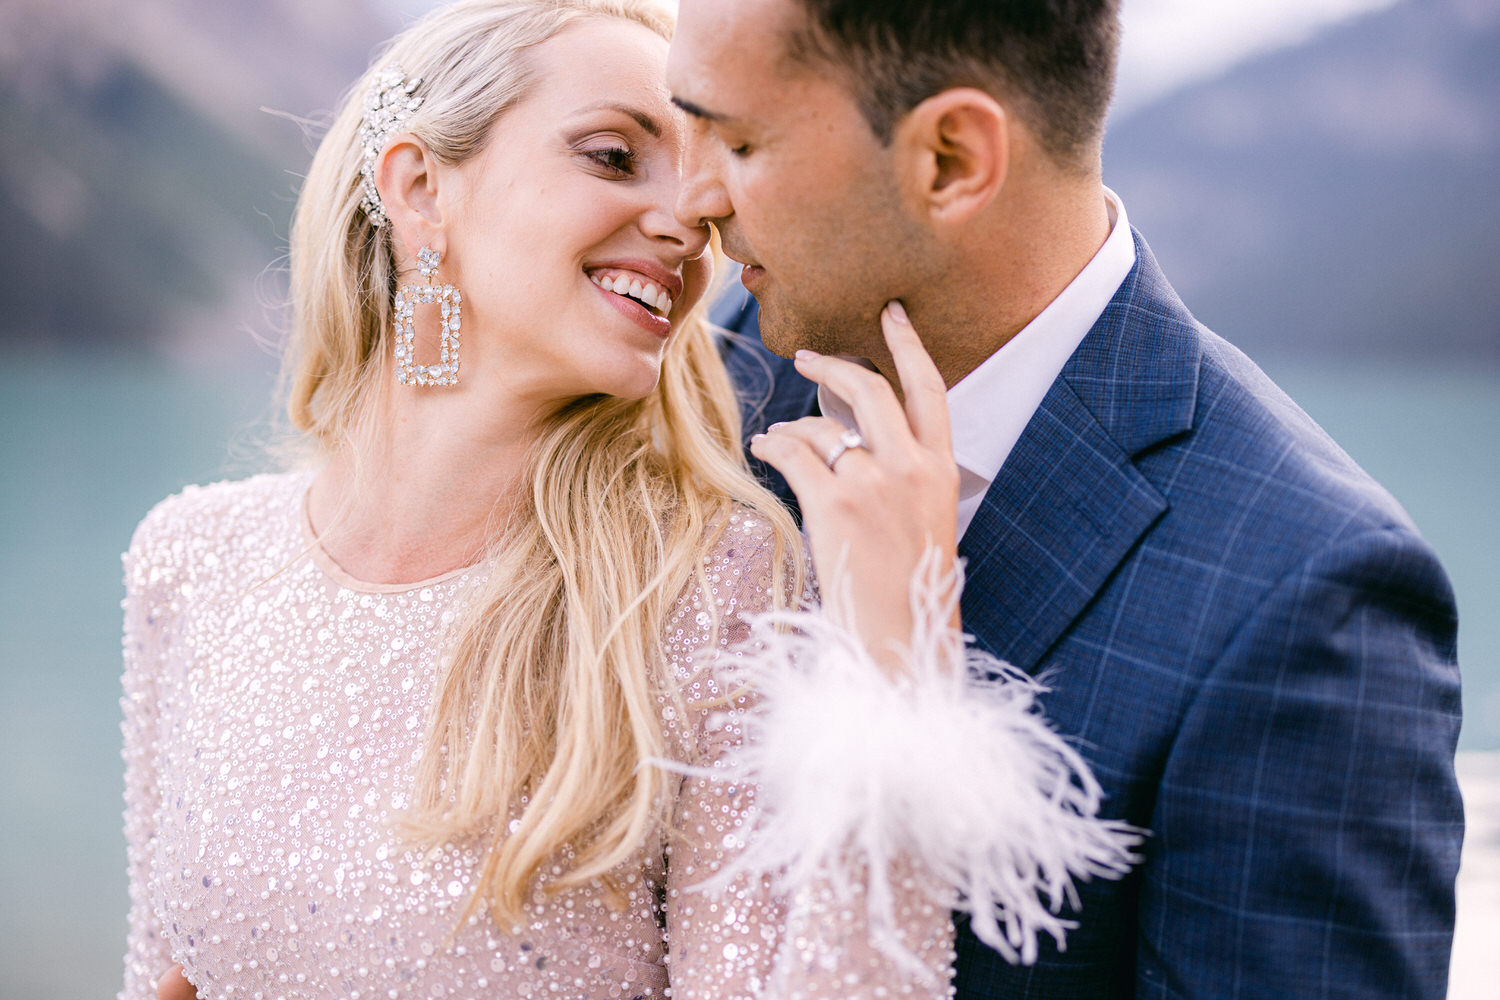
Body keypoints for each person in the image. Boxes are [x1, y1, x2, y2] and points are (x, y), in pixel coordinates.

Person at [124, 2, 1137, 999]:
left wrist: (896, 676)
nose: (692, 217)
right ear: (421, 187)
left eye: (705, 164)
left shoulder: (712, 586)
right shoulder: (192, 560)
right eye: (614, 156)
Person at [667, 0, 1466, 997]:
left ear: (951, 159)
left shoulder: (1311, 601)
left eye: (739, 142)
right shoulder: (725, 357)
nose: (690, 195)